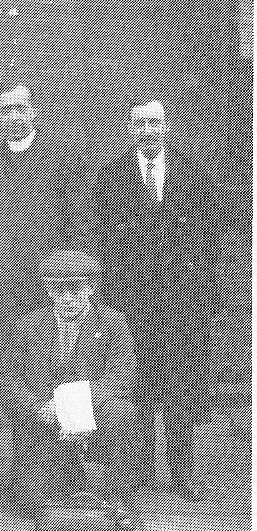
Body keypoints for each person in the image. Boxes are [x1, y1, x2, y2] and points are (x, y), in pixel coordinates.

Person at [88, 100, 217, 501]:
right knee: (138, 383)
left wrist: (201, 296)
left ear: (165, 127)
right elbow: (104, 241)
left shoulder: (193, 173)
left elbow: (210, 239)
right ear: (130, 129)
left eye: (155, 123)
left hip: (181, 302)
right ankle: (140, 471)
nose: (148, 130)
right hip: (131, 300)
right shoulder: (111, 177)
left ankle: (180, 472)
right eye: (140, 123)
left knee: (180, 386)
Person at [2, 251, 137, 525]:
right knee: (31, 503)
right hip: (43, 410)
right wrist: (37, 406)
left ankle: (117, 496)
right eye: (57, 289)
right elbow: (8, 377)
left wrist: (72, 405)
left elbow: (122, 376)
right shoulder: (28, 325)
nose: (66, 298)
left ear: (91, 288)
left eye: (75, 289)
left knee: (122, 413)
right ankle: (51, 487)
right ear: (47, 289)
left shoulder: (112, 323)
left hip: (93, 406)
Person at [0, 82, 81, 327]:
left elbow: (80, 222)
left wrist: (71, 276)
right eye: (6, 110)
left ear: (33, 110)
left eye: (20, 108)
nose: (14, 117)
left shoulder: (63, 155)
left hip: (49, 277)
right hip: (1, 280)